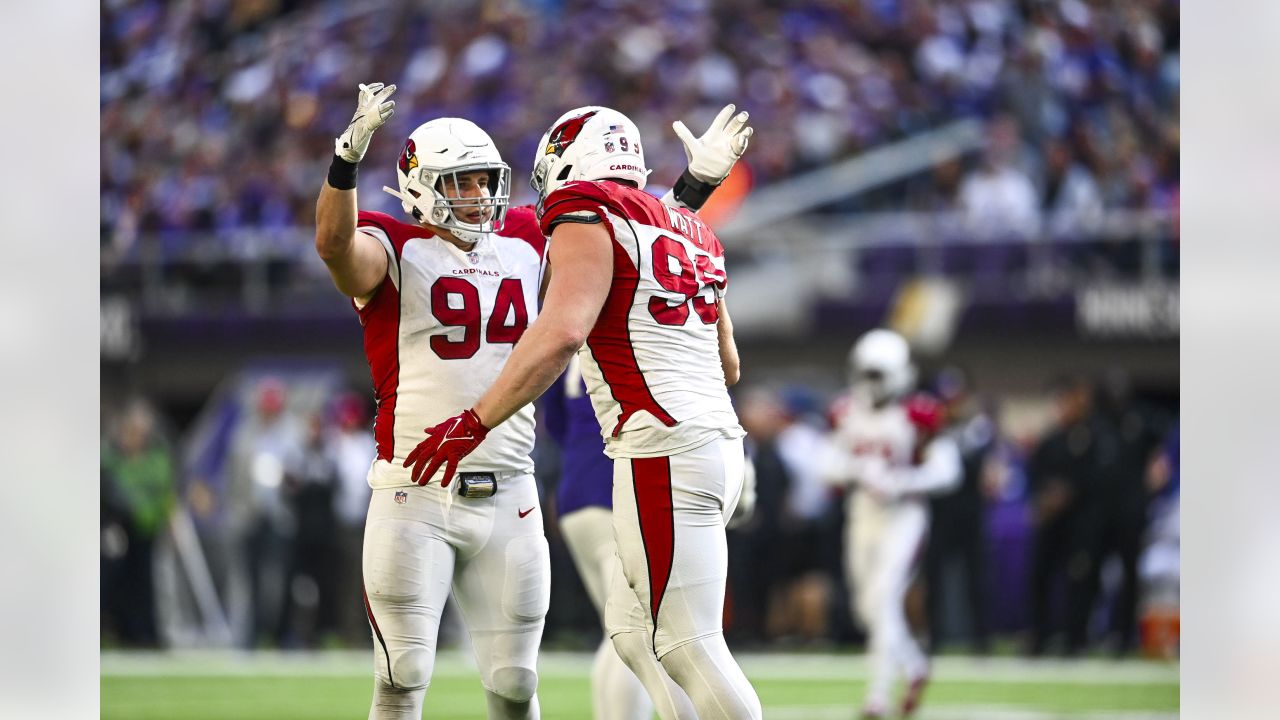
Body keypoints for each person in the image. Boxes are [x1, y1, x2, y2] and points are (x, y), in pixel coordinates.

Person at [316, 83, 751, 719]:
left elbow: (630, 248)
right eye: (457, 183)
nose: (476, 196)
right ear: (416, 186)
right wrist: (345, 162)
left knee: (519, 682)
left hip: (510, 483)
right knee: (403, 671)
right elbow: (333, 246)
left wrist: (689, 192)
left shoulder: (527, 232)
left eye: (482, 179)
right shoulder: (393, 244)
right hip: (415, 483)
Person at [820, 329, 961, 720]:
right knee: (867, 608)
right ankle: (915, 665)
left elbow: (949, 470)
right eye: (866, 373)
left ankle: (877, 698)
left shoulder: (918, 414)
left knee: (883, 599)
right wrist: (859, 469)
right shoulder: (847, 411)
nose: (871, 383)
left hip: (905, 515)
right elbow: (826, 465)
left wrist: (900, 481)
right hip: (863, 515)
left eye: (878, 374)